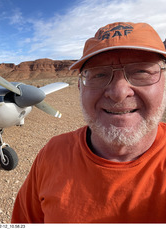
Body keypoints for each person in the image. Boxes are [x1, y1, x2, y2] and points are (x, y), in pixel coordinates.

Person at [11, 22, 166, 223]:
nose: (119, 93)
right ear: (80, 87)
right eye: (99, 74)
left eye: (141, 72)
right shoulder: (52, 153)